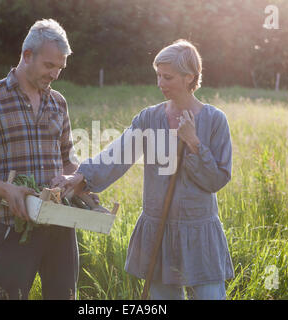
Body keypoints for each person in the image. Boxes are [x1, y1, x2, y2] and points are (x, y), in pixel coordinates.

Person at [53, 39, 234, 300]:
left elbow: (216, 179)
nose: (160, 83)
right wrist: (80, 176)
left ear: (189, 77)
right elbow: (116, 155)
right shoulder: (149, 118)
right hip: (158, 231)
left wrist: (193, 142)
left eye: (168, 77)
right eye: (158, 75)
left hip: (199, 232)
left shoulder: (215, 120)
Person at [0, 19, 80, 300]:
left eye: (60, 68)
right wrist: (7, 190)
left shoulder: (58, 102)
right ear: (27, 56)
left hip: (59, 225)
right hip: (11, 225)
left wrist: (76, 179)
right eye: (49, 66)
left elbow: (68, 159)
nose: (55, 74)